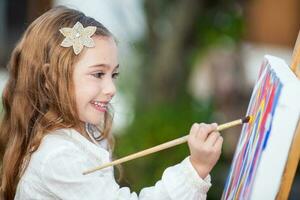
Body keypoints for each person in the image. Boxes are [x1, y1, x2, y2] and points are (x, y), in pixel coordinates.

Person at [0, 6, 223, 200]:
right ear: (51, 79)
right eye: (98, 74)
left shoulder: (82, 135)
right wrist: (195, 170)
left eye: (113, 75)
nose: (111, 89)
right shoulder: (58, 156)